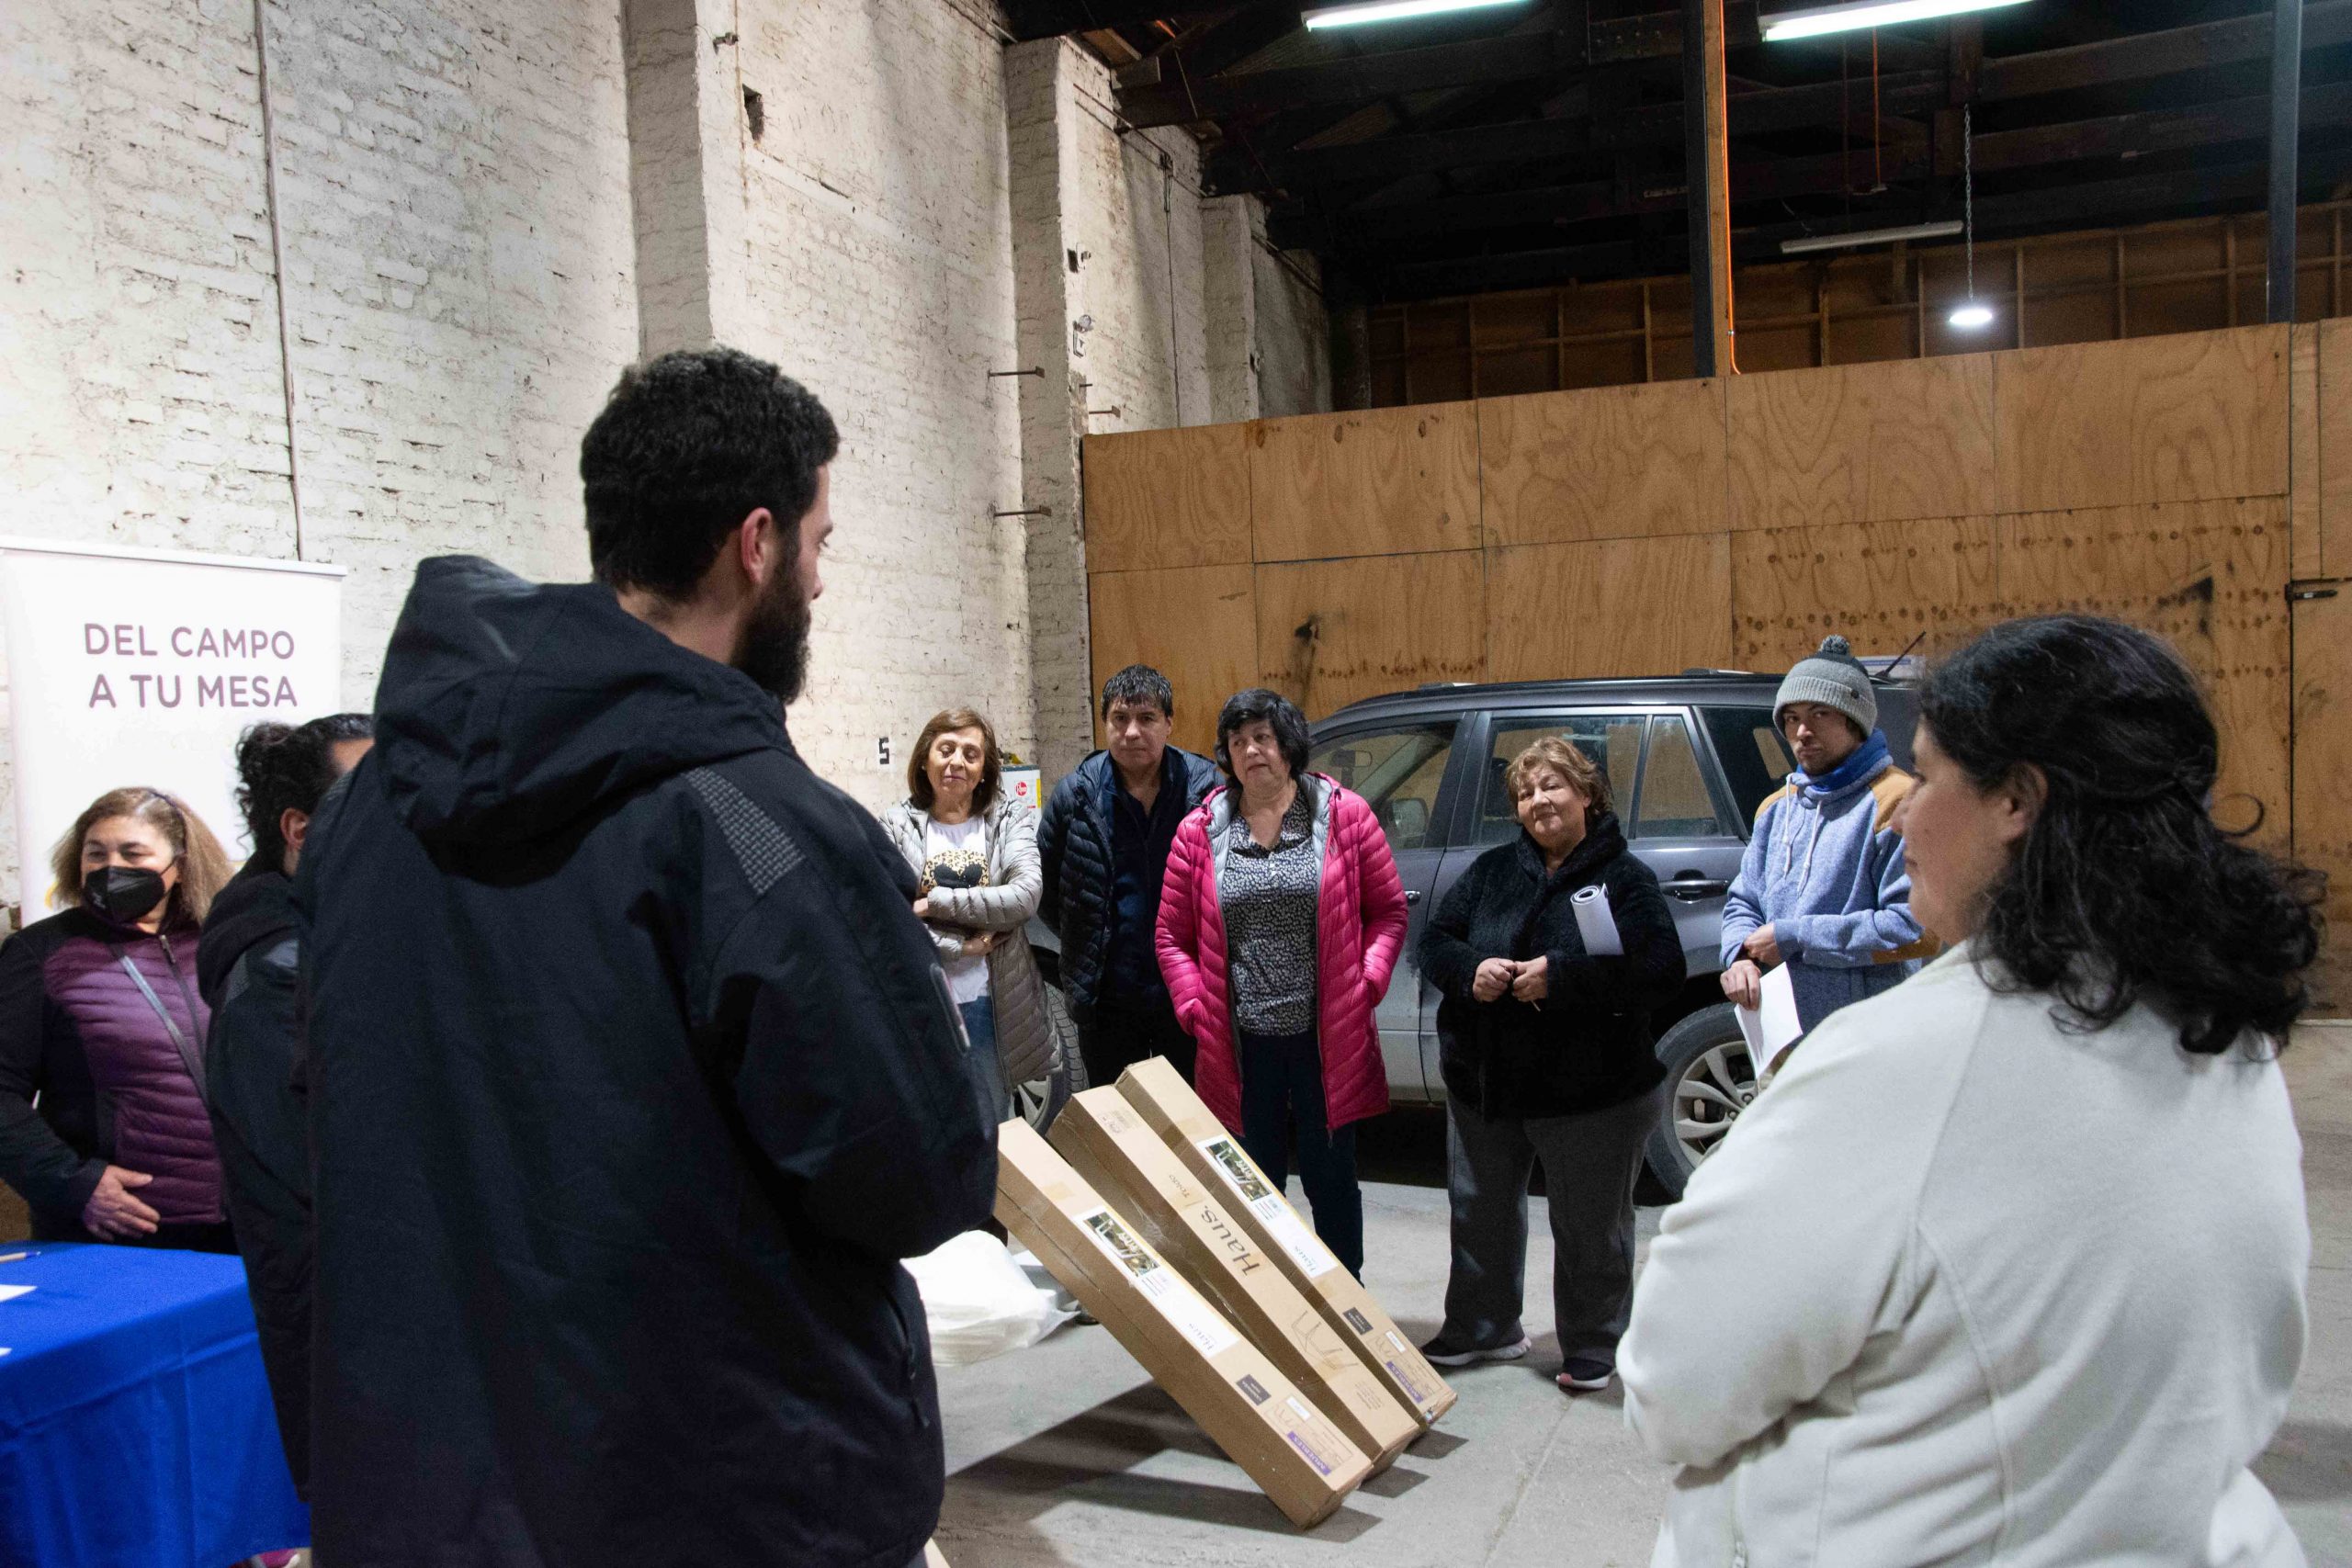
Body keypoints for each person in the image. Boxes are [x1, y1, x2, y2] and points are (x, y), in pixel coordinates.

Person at [294, 347, 997, 1568]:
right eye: (823, 543)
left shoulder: (369, 811)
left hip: (438, 1487)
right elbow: (919, 1176)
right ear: (758, 542)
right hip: (719, 1488)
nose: (822, 582)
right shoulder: (762, 829)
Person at [1621, 616, 2319, 1568]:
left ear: (2015, 802)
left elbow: (1675, 1385)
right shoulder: (2224, 1041)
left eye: (1927, 776)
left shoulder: (1899, 1064)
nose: (1901, 814)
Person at [1416, 737, 1685, 1393]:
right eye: (1526, 792)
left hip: (1590, 1090)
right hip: (1486, 1081)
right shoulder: (1492, 871)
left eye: (1552, 786)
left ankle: (1595, 1341)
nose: (1538, 801)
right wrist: (1469, 971)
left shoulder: (1625, 878)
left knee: (1591, 1224)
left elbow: (1661, 972)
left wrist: (1563, 978)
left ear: (1587, 793)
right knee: (1479, 1210)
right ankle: (1484, 1325)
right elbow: (1434, 940)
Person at [1156, 687, 1408, 1280]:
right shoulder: (1200, 833)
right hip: (1242, 1041)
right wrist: (1194, 1005)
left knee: (1331, 1178)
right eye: (1238, 742)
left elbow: (1389, 912)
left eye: (1262, 738)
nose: (1251, 751)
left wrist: (1365, 982)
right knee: (1254, 1183)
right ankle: (1276, 1303)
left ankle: (1348, 1300)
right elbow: (1171, 936)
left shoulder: (1344, 816)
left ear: (1288, 745)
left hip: (1326, 1036)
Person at [198, 712, 375, 1495]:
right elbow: (349, 1170)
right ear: (300, 829)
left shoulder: (333, 942)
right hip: (359, 1346)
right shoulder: (279, 976)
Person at [0, 787, 233, 1248]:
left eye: (133, 853)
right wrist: (72, 1183)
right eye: (96, 854)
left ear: (180, 865)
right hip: (118, 1229)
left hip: (243, 1226)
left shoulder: (222, 941)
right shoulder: (39, 953)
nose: (112, 868)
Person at [1718, 632, 1931, 1047]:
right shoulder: (1777, 808)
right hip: (1782, 1039)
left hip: (1870, 1041)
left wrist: (1797, 937)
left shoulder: (1896, 802)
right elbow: (1744, 902)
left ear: (1855, 721)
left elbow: (1915, 928)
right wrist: (1739, 957)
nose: (1802, 731)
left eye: (1820, 715)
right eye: (1792, 718)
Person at [882, 707, 1067, 1125]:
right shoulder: (893, 827)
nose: (957, 762)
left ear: (985, 769)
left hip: (990, 1003)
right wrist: (962, 946)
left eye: (971, 754)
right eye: (946, 749)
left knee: (995, 1127)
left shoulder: (1008, 820)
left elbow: (1023, 897)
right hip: (923, 1001)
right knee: (928, 1126)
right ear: (925, 758)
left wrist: (932, 903)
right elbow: (886, 920)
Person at [1038, 664, 1218, 1088]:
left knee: (1191, 1118)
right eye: (1120, 719)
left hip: (1189, 993)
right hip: (1108, 997)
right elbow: (1047, 889)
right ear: (1105, 725)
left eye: (1147, 718)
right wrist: (1087, 940)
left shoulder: (1206, 791)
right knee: (1119, 1126)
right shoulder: (1076, 795)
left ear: (1169, 724)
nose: (1132, 732)